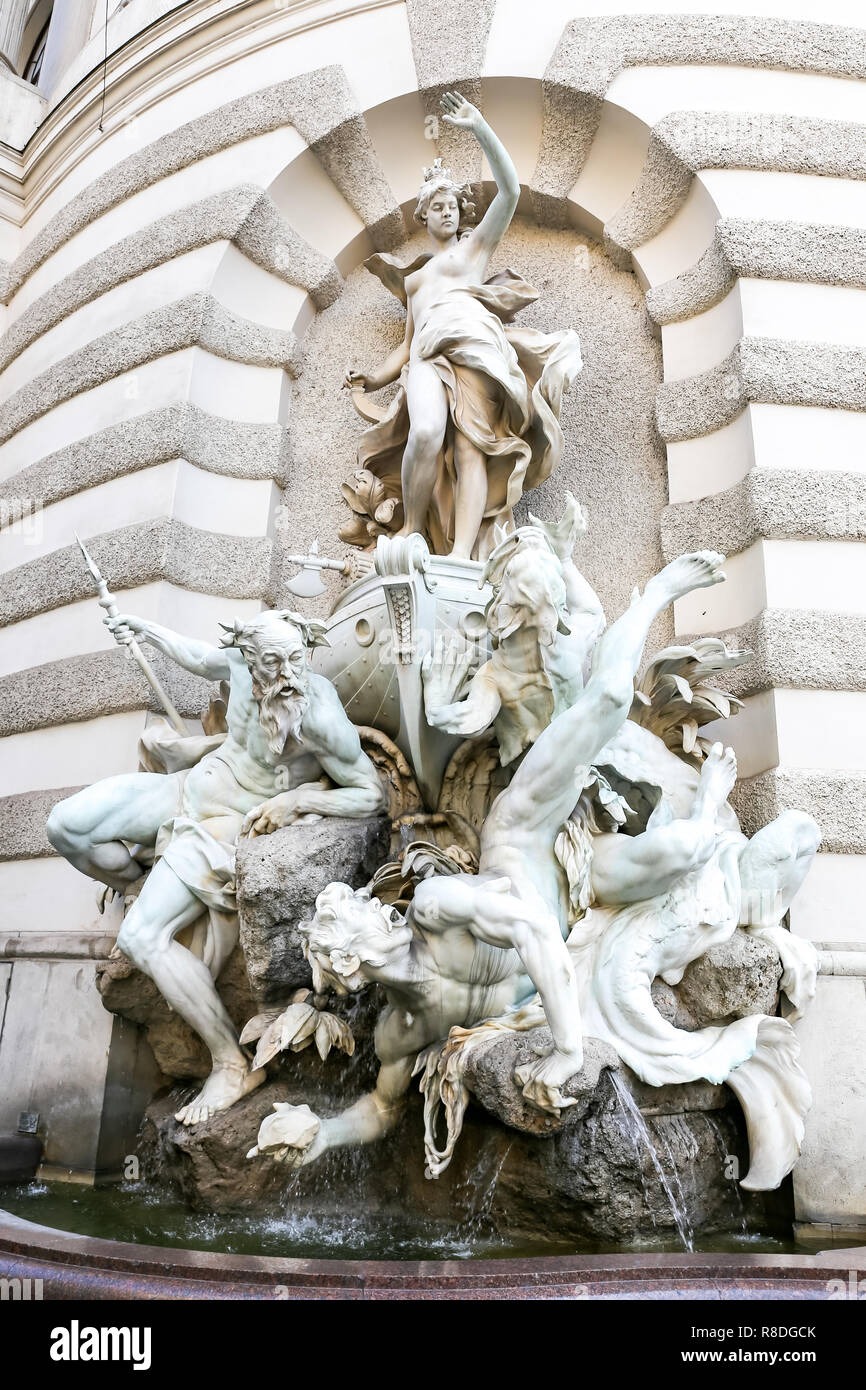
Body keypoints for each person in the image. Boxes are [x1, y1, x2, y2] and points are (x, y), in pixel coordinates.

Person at [46, 609, 386, 1125]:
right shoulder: (241, 666)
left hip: (229, 826)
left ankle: (230, 1062)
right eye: (274, 662)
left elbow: (372, 793)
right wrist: (144, 626)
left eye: (296, 658)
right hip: (192, 788)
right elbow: (199, 655)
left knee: (141, 937)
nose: (288, 674)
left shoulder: (316, 715)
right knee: (65, 825)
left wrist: (299, 804)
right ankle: (144, 887)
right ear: (251, 659)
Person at [342, 92, 582, 561]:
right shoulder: (414, 281)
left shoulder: (474, 251)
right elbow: (407, 345)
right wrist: (372, 379)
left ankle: (461, 556)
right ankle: (413, 527)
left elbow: (510, 191)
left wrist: (480, 129)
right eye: (437, 206)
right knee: (427, 432)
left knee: (473, 450)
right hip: (429, 356)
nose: (447, 212)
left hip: (477, 350)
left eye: (452, 205)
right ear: (423, 216)